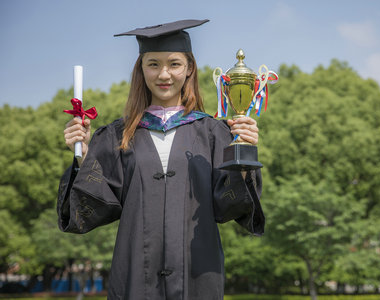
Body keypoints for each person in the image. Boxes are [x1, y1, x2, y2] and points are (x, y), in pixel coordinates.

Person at [57, 19, 264, 300]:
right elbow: (88, 208)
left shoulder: (214, 133)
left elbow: (230, 207)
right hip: (135, 277)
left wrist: (243, 153)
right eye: (153, 64)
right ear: (141, 70)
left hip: (197, 276)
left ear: (189, 68)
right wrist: (82, 154)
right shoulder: (117, 135)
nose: (164, 74)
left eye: (174, 64)